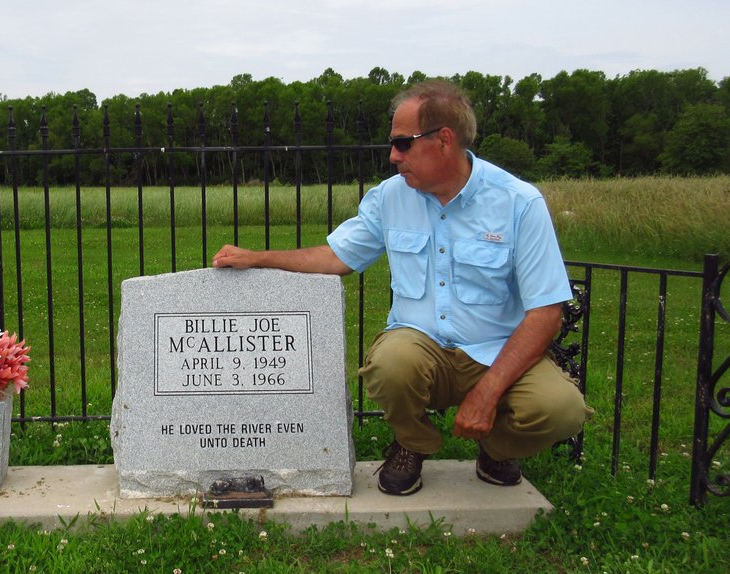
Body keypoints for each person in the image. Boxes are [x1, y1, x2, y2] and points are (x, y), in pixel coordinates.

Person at [211, 80, 592, 496]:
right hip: (420, 345)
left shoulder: (519, 203)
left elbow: (545, 313)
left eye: (402, 143)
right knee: (390, 364)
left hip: (495, 349)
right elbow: (337, 257)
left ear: (443, 139)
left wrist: (487, 392)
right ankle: (412, 444)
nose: (393, 156)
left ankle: (496, 448)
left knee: (561, 410)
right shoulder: (390, 197)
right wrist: (257, 257)